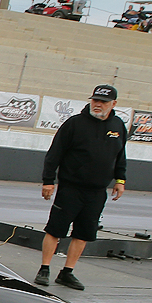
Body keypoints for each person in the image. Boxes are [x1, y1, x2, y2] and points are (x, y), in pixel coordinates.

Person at [34, 84, 129, 291]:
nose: (98, 104)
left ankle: (67, 272)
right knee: (55, 229)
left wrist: (120, 180)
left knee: (83, 233)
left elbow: (120, 156)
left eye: (103, 102)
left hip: (97, 192)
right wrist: (48, 181)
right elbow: (54, 154)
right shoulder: (74, 123)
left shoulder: (118, 126)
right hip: (70, 188)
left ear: (113, 104)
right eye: (95, 100)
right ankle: (44, 268)